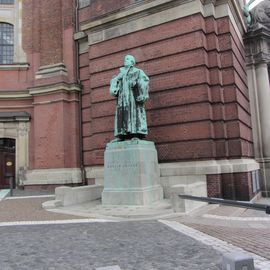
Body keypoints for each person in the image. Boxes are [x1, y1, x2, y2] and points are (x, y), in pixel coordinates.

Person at [110, 55, 149, 141]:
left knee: (134, 114)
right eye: (125, 59)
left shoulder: (138, 72)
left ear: (132, 62)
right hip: (122, 99)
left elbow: (144, 81)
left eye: (128, 59)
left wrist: (139, 88)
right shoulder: (120, 74)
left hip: (132, 97)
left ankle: (136, 134)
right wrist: (114, 82)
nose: (125, 60)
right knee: (121, 115)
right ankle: (121, 135)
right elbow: (114, 86)